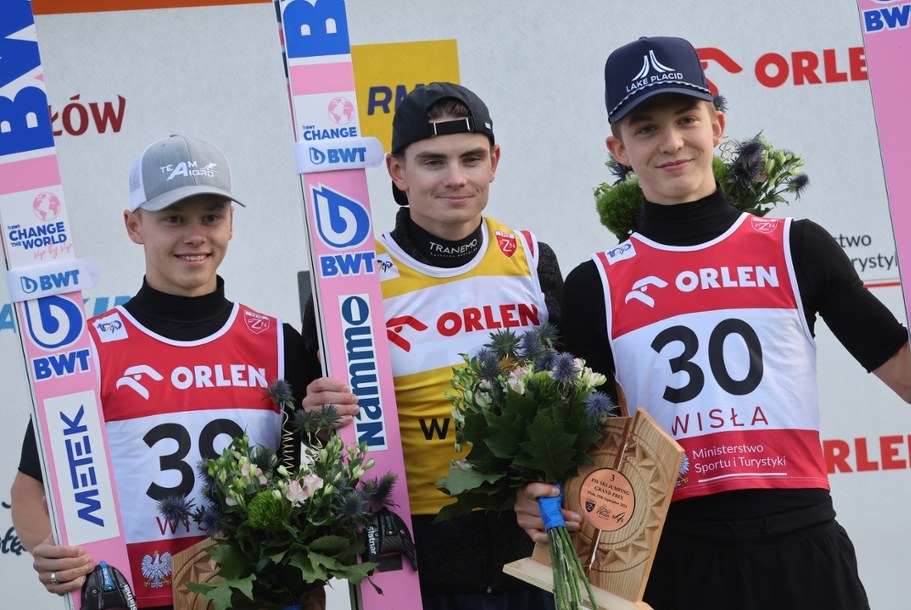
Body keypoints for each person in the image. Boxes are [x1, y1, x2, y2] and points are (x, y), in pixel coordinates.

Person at [515, 36, 911, 610]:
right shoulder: (595, 284)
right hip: (675, 561)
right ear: (619, 148)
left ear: (717, 125)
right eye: (647, 128)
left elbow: (908, 381)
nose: (672, 142)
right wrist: (540, 500)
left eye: (687, 119)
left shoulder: (796, 247)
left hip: (802, 551)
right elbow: (581, 450)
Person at [10, 134, 323, 610]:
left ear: (231, 223)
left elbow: (317, 466)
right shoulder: (89, 349)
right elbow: (29, 488)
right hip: (141, 595)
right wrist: (50, 554)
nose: (195, 235)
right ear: (134, 225)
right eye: (173, 218)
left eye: (210, 217)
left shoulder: (278, 343)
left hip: (263, 595)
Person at [302, 82, 563, 609]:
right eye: (433, 162)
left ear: (494, 162)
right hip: (414, 569)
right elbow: (305, 436)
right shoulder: (351, 280)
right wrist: (314, 422)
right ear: (397, 171)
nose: (456, 178)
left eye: (471, 158)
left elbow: (576, 401)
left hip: (535, 561)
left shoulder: (532, 259)